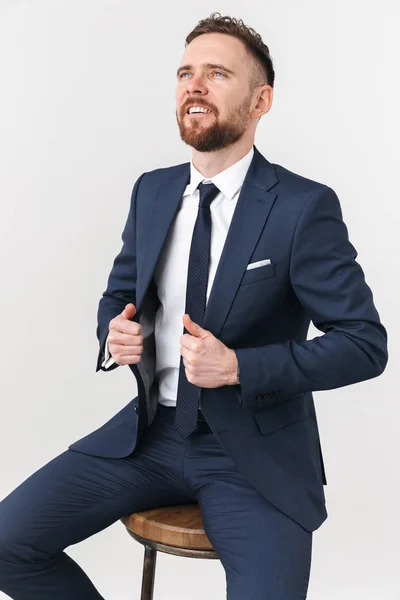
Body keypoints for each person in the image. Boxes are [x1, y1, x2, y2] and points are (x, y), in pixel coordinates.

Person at [0, 12, 388, 600]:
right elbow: (119, 295)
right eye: (185, 72)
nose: (194, 84)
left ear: (261, 100)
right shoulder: (152, 190)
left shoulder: (302, 208)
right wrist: (114, 332)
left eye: (216, 73)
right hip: (149, 437)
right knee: (7, 544)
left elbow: (364, 343)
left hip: (254, 458)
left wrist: (239, 367)